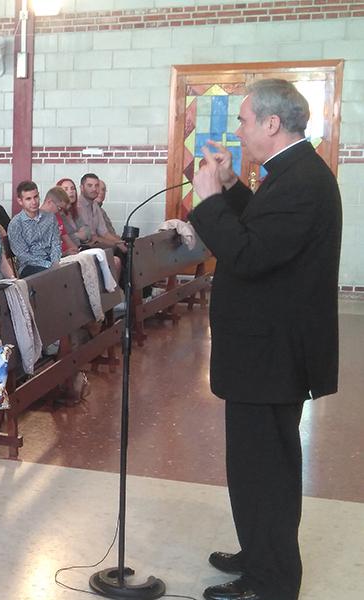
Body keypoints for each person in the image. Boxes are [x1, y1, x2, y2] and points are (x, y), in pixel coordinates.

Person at [189, 79, 342, 600]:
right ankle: (259, 551)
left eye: (245, 120)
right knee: (256, 465)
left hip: (272, 353)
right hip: (265, 348)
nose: (240, 129)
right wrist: (231, 188)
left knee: (267, 469)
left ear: (272, 124)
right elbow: (266, 229)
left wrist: (209, 201)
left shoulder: (302, 180)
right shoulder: (293, 172)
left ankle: (272, 582)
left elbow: (250, 254)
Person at [7, 181, 62, 277]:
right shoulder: (16, 224)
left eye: (36, 197)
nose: (34, 202)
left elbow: (56, 243)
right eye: (28, 199)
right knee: (53, 276)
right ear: (20, 201)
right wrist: (48, 265)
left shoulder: (50, 218)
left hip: (51, 262)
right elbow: (23, 255)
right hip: (29, 266)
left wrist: (55, 263)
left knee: (72, 271)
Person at [77, 173, 125, 251]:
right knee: (116, 250)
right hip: (84, 246)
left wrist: (119, 242)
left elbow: (104, 232)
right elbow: (91, 237)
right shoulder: (78, 206)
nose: (94, 189)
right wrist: (116, 243)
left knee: (126, 248)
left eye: (96, 186)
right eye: (90, 186)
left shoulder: (95, 205)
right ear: (82, 188)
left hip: (96, 244)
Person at [42, 185, 88, 255]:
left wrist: (77, 252)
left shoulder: (56, 216)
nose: (59, 211)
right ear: (49, 202)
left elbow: (66, 238)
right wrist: (64, 254)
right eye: (59, 208)